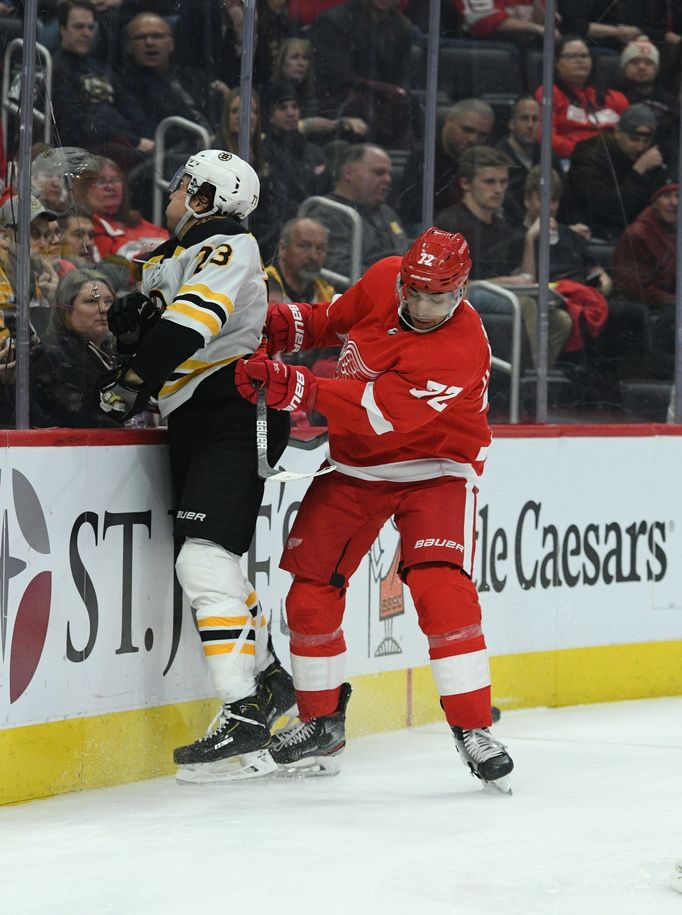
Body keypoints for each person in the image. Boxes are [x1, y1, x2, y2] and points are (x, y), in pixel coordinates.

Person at [234, 227, 514, 790]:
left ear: (461, 291)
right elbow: (328, 320)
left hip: (435, 469)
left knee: (440, 587)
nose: (422, 304)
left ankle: (473, 728)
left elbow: (373, 413)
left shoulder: (461, 350)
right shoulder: (386, 276)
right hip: (357, 469)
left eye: (438, 296)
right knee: (310, 589)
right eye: (415, 291)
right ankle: (320, 722)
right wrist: (263, 327)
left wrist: (295, 387)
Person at [99, 150, 295, 782]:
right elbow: (163, 323)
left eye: (186, 185)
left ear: (209, 199)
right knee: (211, 560)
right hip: (197, 416)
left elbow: (191, 323)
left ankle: (242, 712)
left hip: (233, 411)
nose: (175, 192)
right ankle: (270, 684)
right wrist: (133, 336)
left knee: (202, 557)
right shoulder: (168, 256)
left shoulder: (227, 245)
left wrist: (133, 376)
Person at [51, 0, 154, 169]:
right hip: (88, 148)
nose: (86, 33)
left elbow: (130, 108)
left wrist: (148, 137)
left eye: (90, 27)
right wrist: (134, 141)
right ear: (62, 29)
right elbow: (77, 124)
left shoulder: (101, 68)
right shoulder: (56, 69)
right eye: (79, 27)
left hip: (123, 142)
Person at [301, 143, 407, 280]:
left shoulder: (386, 213)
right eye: (379, 173)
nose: (388, 179)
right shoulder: (327, 213)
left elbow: (403, 247)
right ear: (349, 173)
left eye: (388, 174)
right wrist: (393, 277)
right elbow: (338, 268)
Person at [30, 268, 121, 427]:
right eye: (92, 301)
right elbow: (87, 419)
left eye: (109, 301)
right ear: (66, 310)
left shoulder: (113, 353)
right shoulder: (53, 358)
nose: (104, 309)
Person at [564, 103, 669, 240]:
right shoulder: (590, 153)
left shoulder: (650, 160)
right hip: (591, 232)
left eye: (646, 141)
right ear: (617, 132)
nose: (640, 147)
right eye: (634, 139)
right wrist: (637, 172)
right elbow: (604, 206)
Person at [397, 99, 495, 229]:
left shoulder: (483, 161)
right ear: (449, 119)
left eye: (482, 135)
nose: (473, 139)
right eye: (467, 130)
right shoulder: (424, 156)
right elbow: (413, 214)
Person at [612, 182, 678, 369]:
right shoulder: (637, 235)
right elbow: (637, 288)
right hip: (646, 305)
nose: (674, 202)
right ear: (654, 202)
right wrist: (673, 301)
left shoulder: (674, 231)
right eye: (667, 196)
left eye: (678, 196)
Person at [536, 35, 629, 160]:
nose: (580, 61)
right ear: (556, 63)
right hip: (569, 160)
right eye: (572, 56)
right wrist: (585, 154)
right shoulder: (548, 93)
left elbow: (629, 137)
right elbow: (546, 137)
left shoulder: (616, 98)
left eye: (584, 56)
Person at [85, 156, 169, 262]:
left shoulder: (135, 221)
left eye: (115, 180)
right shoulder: (88, 229)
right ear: (83, 189)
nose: (110, 187)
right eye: (101, 181)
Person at [618, 36, 679, 167]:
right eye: (634, 62)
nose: (642, 67)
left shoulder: (668, 100)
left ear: (656, 70)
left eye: (648, 63)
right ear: (623, 68)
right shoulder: (616, 96)